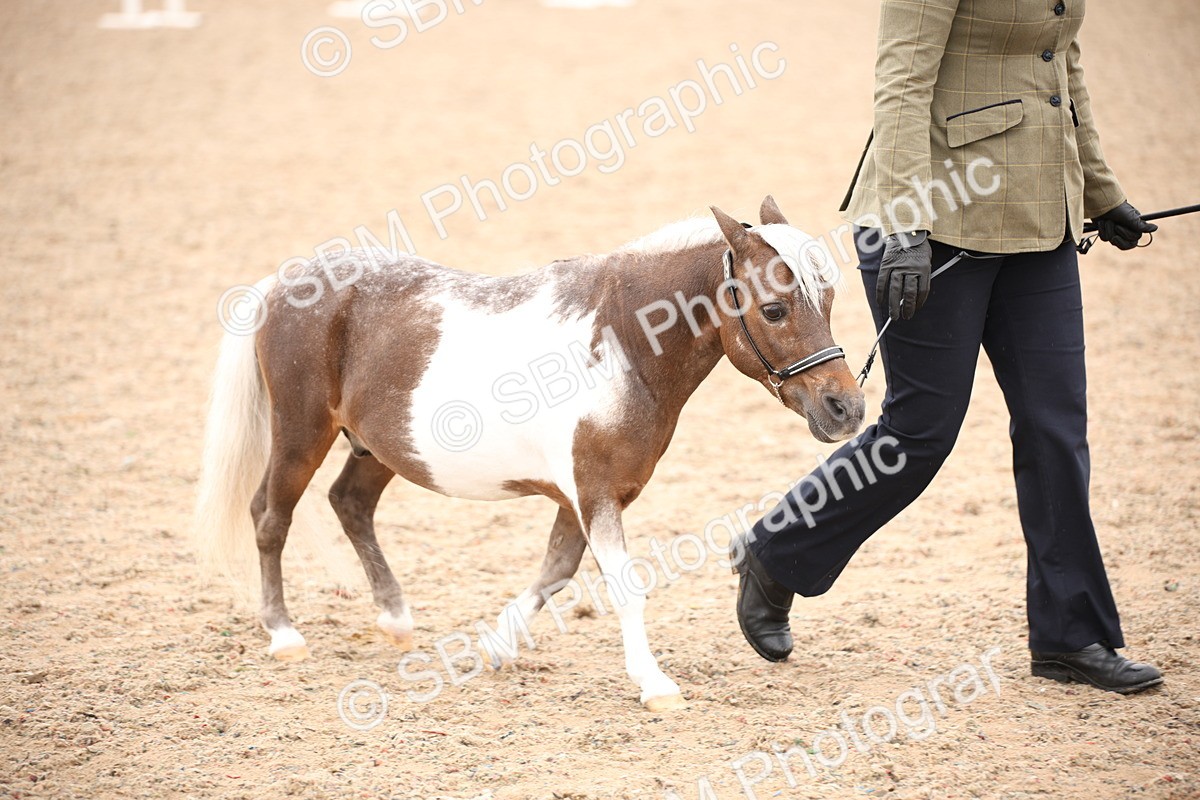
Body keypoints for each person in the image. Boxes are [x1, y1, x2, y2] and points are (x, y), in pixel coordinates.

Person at [732, 0, 1164, 694]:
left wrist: (1099, 189)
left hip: (1037, 218)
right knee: (922, 432)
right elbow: (901, 79)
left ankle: (1070, 635)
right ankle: (777, 550)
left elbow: (1061, 63)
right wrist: (905, 222)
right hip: (930, 225)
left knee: (1057, 428)